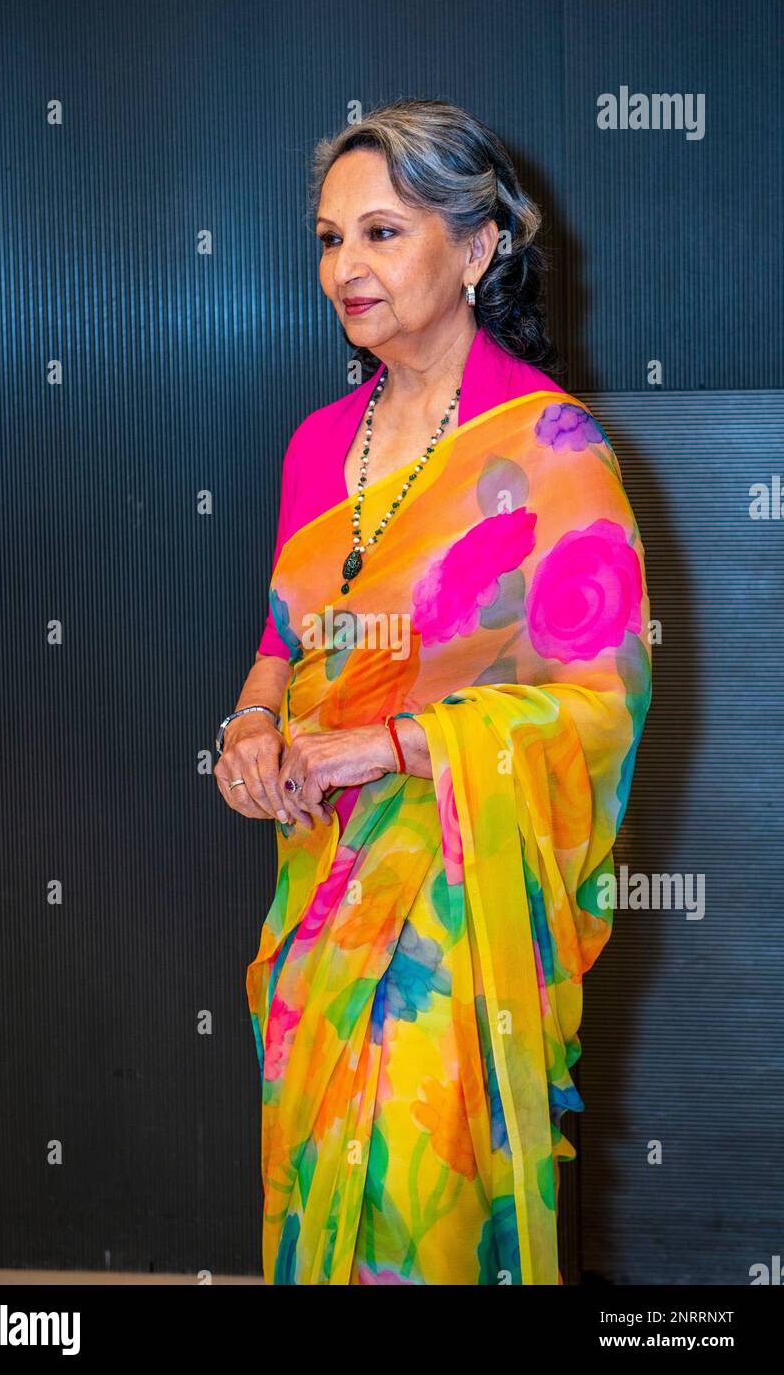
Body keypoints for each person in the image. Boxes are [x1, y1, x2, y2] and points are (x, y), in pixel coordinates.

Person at [214, 98, 653, 1286]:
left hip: (462, 906)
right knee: (318, 1183)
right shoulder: (318, 444)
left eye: (381, 233)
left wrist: (395, 747)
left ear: (477, 246)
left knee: (422, 1198)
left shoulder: (551, 451)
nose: (344, 269)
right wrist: (253, 722)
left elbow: (598, 702)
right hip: (325, 889)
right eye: (326, 238)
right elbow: (283, 639)